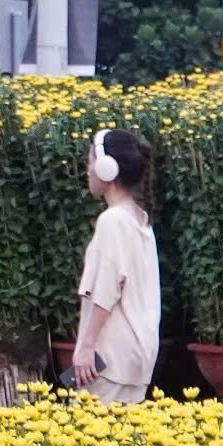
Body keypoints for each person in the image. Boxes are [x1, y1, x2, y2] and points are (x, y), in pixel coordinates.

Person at [68, 128, 161, 405]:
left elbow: (106, 292)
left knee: (87, 437)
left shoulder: (113, 221)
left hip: (109, 358)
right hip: (134, 355)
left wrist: (85, 348)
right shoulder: (138, 218)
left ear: (107, 169)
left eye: (90, 162)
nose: (88, 170)